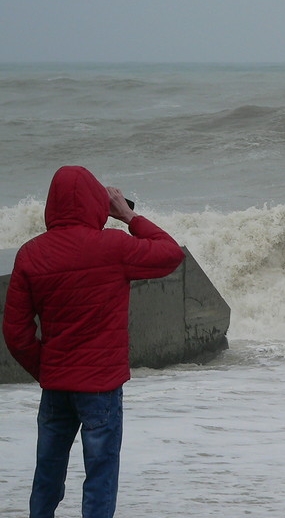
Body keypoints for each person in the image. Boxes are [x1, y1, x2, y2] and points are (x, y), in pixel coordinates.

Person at [2, 165, 185, 518]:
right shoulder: (114, 247)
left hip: (56, 386)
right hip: (101, 388)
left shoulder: (31, 254)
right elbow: (170, 253)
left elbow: (16, 332)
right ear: (94, 203)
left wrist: (46, 370)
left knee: (47, 476)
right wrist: (129, 216)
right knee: (99, 478)